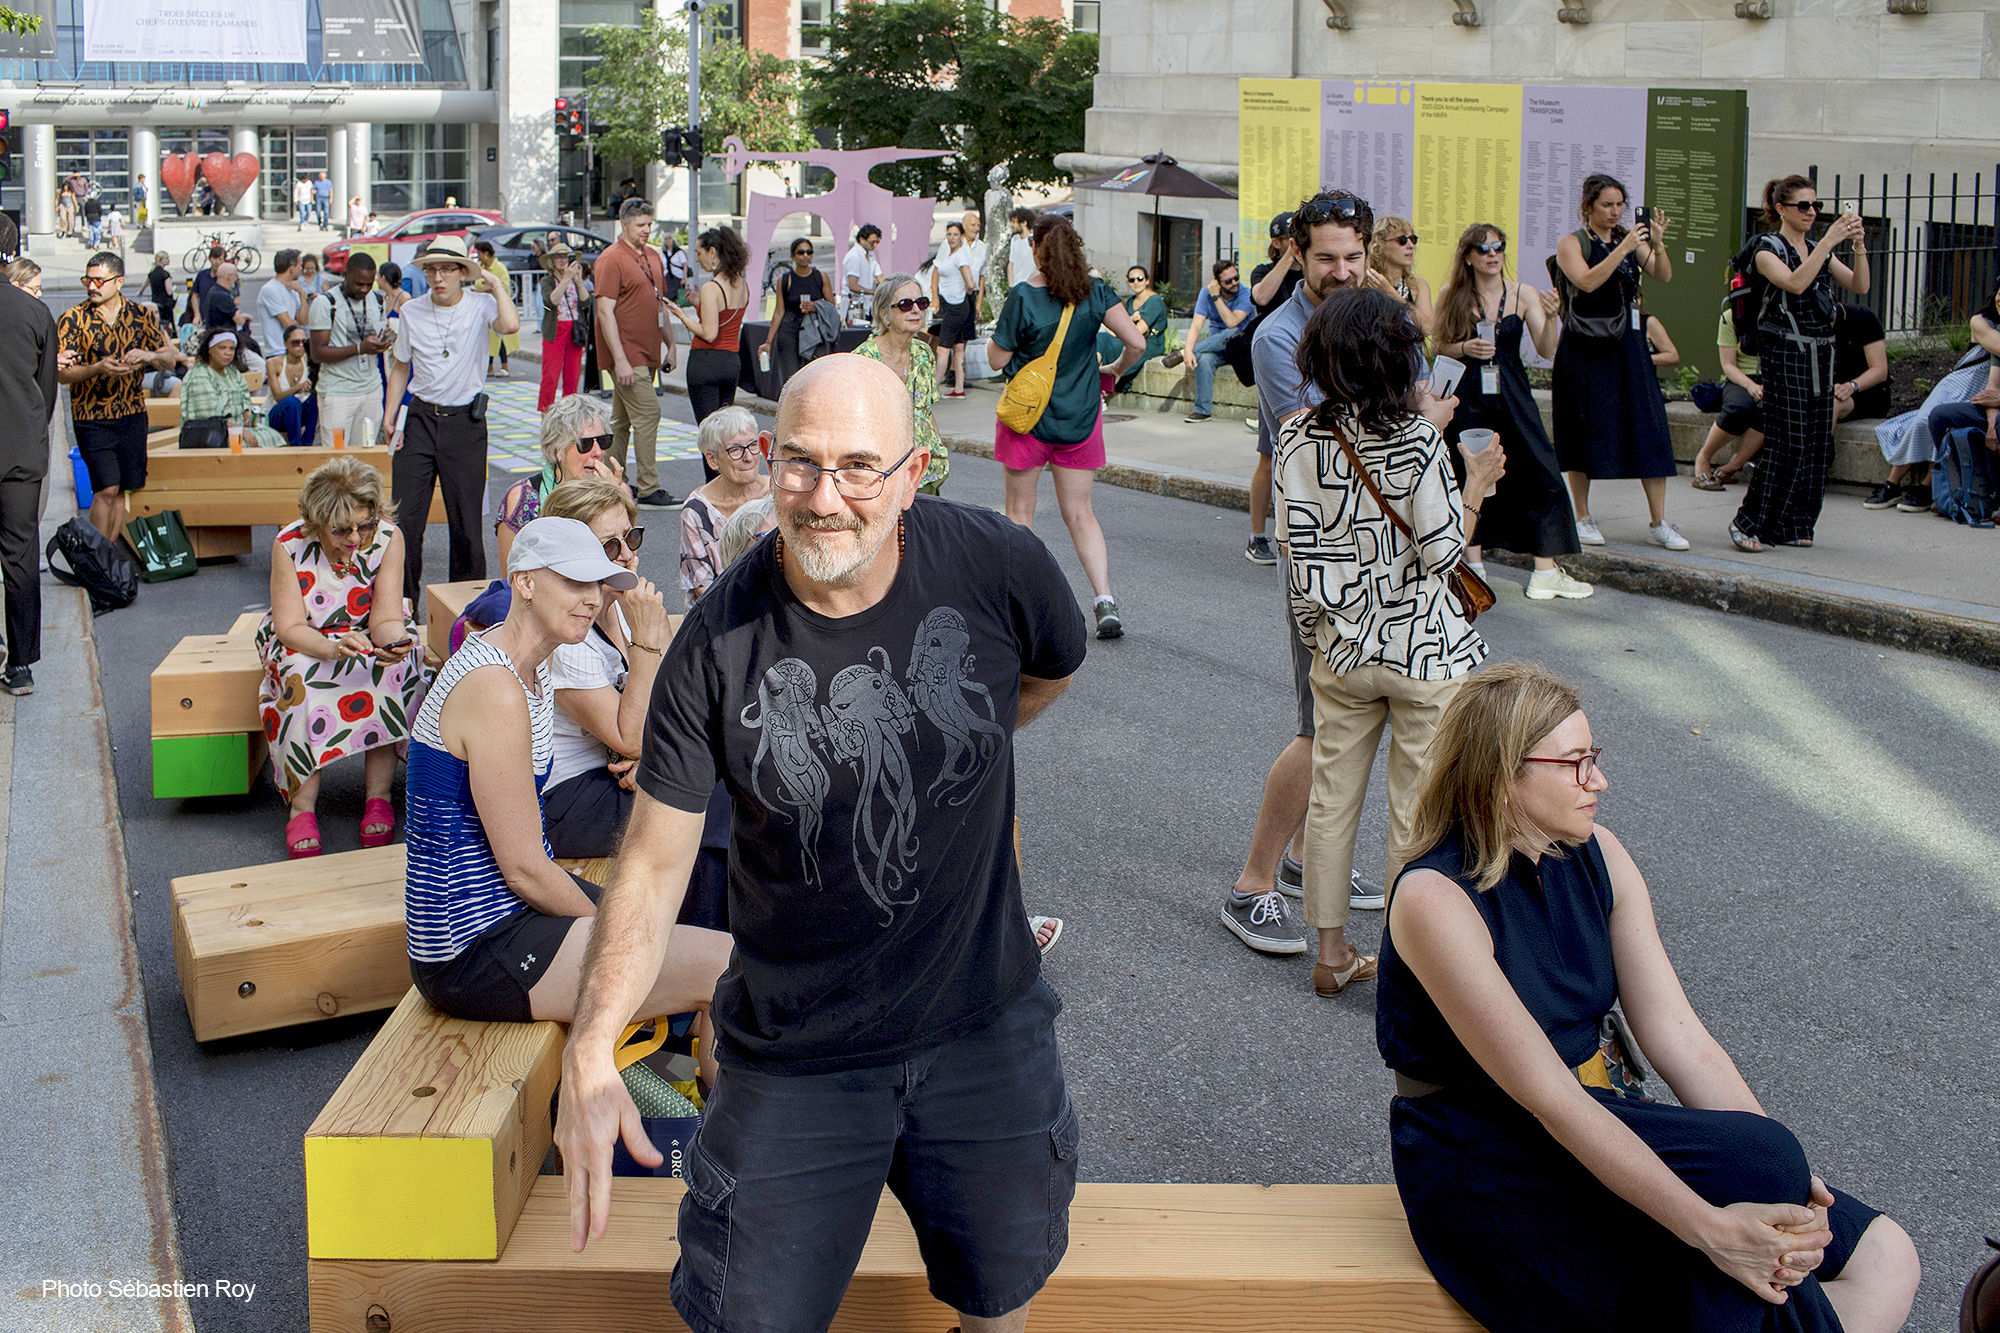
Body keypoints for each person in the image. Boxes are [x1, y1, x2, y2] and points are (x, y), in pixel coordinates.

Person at [553, 354, 1089, 1333]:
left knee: (998, 1288)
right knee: (751, 1316)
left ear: (912, 474)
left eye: (858, 467)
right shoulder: (716, 645)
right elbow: (652, 863)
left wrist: (957, 755)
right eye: (798, 462)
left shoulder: (993, 565)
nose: (824, 495)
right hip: (794, 1055)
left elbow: (1043, 672)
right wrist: (593, 1049)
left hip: (981, 1026)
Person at [1376, 661, 1920, 1333]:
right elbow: (1550, 1098)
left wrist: (1788, 1186)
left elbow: (1679, 1035)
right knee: (1734, 1266)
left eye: (1593, 758)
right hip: (1487, 1156)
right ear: (1502, 774)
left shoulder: (1601, 853)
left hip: (1599, 1115)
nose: (1597, 779)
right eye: (1575, 762)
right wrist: (1708, 1227)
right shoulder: (1435, 898)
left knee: (1885, 1252)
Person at [403, 515, 732, 1038]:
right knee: (724, 964)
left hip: (500, 918)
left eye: (598, 584)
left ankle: (686, 1092)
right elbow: (526, 870)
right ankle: (723, 1114)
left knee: (691, 944)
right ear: (526, 582)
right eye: (576, 582)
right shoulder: (495, 687)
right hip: (473, 946)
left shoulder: (530, 668)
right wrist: (619, 936)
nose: (594, 599)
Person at [1271, 282, 1504, 1003]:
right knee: (1417, 808)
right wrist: (1476, 486)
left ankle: (1332, 951)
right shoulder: (1417, 443)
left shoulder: (1296, 437)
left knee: (1333, 797)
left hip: (1341, 649)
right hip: (1422, 652)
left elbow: (1292, 549)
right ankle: (1410, 964)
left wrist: (1321, 637)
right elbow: (1443, 554)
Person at [1222, 190, 1384, 962]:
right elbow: (1317, 438)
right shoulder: (1280, 335)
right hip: (1318, 549)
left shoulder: (1372, 315)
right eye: (1327, 257)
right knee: (1322, 725)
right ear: (1297, 253)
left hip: (1374, 544)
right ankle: (1252, 886)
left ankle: (1301, 860)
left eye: (1354, 256)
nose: (1342, 270)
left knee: (1352, 720)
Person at [256, 457, 424, 857]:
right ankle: (301, 807)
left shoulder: (388, 537)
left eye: (365, 525)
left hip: (365, 632)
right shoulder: (289, 544)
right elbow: (289, 628)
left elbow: (384, 615)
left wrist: (393, 642)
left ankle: (378, 797)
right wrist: (332, 648)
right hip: (306, 637)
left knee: (390, 670)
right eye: (342, 529)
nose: (356, 537)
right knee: (299, 679)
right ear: (317, 521)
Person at [990, 214, 1145, 639]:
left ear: (1036, 249)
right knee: (1081, 514)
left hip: (1028, 422)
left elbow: (996, 360)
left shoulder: (1022, 297)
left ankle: (1024, 606)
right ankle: (1104, 599)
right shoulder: (1096, 293)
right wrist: (1112, 370)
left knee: (1020, 514)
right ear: (1075, 246)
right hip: (1081, 421)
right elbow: (1137, 343)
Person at [1432, 222, 1590, 601]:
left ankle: (1545, 571)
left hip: (1512, 393)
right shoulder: (1451, 294)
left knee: (1541, 471)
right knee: (1468, 472)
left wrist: (1552, 316)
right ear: (1468, 256)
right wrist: (1465, 348)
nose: (1492, 255)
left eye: (1498, 247)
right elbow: (1437, 346)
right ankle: (1473, 561)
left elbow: (1547, 348)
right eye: (1483, 249)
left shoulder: (1523, 294)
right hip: (1469, 394)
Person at [1729, 176, 1869, 552]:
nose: (1812, 213)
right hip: (1785, 352)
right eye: (1803, 206)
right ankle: (1749, 522)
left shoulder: (1816, 247)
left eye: (1816, 206)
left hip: (1822, 352)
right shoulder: (1765, 248)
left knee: (1817, 442)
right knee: (1787, 442)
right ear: (1780, 209)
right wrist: (1826, 243)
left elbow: (1860, 285)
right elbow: (1794, 283)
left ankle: (1795, 522)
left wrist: (1856, 245)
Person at [1552, 174, 1686, 551]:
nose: (1615, 212)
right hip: (1586, 345)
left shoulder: (1631, 239)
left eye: (1620, 205)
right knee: (1583, 427)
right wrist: (1624, 246)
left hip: (1627, 342)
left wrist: (1656, 246)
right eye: (1607, 205)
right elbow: (1588, 281)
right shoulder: (1572, 243)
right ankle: (1582, 515)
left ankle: (1659, 521)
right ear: (1589, 207)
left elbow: (1663, 275)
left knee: (1648, 423)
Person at [535, 479, 668, 859]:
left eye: (631, 538)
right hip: (567, 798)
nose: (627, 554)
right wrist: (644, 639)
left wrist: (649, 761)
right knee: (698, 809)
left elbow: (677, 697)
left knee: (719, 794)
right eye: (610, 545)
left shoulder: (622, 604)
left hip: (617, 772)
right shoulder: (569, 633)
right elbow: (629, 738)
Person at [380, 235, 522, 589]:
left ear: (463, 272)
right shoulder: (411, 310)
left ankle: (466, 615)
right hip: (418, 420)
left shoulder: (480, 304)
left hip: (465, 424)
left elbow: (510, 325)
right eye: (431, 270)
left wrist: (496, 285)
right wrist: (389, 413)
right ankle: (401, 611)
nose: (438, 278)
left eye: (447, 269)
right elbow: (400, 366)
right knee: (405, 523)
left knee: (467, 527)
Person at [57, 252, 176, 542]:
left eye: (98, 280)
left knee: (124, 488)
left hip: (132, 412)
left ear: (119, 281)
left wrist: (148, 355)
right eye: (88, 280)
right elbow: (62, 375)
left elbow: (170, 359)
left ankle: (108, 554)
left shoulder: (141, 315)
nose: (91, 286)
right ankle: (97, 558)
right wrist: (97, 368)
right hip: (92, 415)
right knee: (106, 488)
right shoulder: (73, 318)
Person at [0, 228, 60, 697]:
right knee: (20, 554)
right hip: (20, 446)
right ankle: (20, 664)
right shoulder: (35, 311)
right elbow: (45, 392)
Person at [596, 198, 678, 509]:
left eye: (649, 224)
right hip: (628, 354)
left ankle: (609, 480)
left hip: (647, 352)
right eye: (640, 225)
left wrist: (670, 345)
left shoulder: (653, 256)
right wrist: (619, 360)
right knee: (648, 414)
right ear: (624, 224)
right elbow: (605, 312)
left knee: (621, 421)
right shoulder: (611, 259)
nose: (646, 230)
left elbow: (660, 304)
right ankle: (648, 487)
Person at [496, 392, 625, 569]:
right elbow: (510, 579)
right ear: (557, 449)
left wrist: (612, 499)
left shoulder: (618, 489)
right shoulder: (523, 498)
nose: (598, 452)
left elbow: (625, 563)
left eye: (603, 441)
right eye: (584, 444)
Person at [855, 273, 946, 496]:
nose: (916, 310)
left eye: (921, 303)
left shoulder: (923, 352)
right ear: (884, 313)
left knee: (926, 530)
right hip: (883, 475)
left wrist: (939, 449)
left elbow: (927, 411)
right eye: (905, 305)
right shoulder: (863, 360)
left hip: (926, 473)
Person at [666, 226, 752, 438]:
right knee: (725, 434)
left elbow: (709, 332)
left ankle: (713, 473)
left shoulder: (711, 287)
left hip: (706, 363)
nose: (696, 258)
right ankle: (725, 472)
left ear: (713, 252)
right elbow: (724, 319)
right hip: (731, 362)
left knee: (710, 436)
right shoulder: (742, 285)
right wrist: (698, 305)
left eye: (698, 252)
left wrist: (682, 315)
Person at [679, 406, 770, 605]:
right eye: (735, 449)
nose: (749, 457)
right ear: (712, 459)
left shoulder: (776, 492)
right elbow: (702, 588)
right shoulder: (696, 510)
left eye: (753, 445)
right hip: (721, 609)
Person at [308, 249, 392, 448]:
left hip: (371, 387)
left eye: (369, 284)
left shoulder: (378, 301)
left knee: (365, 454)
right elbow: (318, 353)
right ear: (344, 276)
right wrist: (359, 348)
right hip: (338, 391)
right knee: (337, 460)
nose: (364, 289)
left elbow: (377, 334)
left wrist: (383, 341)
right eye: (358, 283)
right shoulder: (326, 303)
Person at [1170, 258, 1253, 424]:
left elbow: (1232, 322)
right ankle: (1202, 411)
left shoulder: (1246, 293)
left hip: (1240, 347)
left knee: (1231, 331)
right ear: (1217, 282)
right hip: (1217, 349)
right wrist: (1189, 348)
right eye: (1228, 281)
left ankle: (1180, 354)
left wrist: (1216, 297)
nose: (1235, 283)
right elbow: (1196, 325)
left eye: (1236, 278)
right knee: (1204, 358)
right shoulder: (1205, 293)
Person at [1692, 311, 1766, 492]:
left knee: (1771, 409)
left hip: (1772, 378)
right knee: (1738, 407)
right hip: (1740, 378)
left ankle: (1735, 464)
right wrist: (1750, 385)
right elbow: (1728, 365)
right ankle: (1704, 456)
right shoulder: (1731, 315)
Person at [181, 328, 285, 448]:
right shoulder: (199, 375)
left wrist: (247, 416)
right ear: (210, 350)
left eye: (231, 348)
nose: (228, 352)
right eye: (222, 348)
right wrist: (240, 430)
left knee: (274, 437)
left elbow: (245, 398)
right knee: (247, 443)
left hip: (237, 426)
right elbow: (208, 418)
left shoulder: (232, 372)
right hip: (210, 433)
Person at [1097, 265, 1165, 399]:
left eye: (1140, 279)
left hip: (1148, 343)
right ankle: (1097, 386)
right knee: (1100, 339)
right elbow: (1120, 326)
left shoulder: (1154, 301)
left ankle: (1098, 392)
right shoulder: (1131, 301)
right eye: (1132, 280)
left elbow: (1138, 330)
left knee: (1108, 344)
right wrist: (1130, 320)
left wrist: (1123, 327)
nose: (1136, 283)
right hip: (1128, 338)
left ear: (1146, 280)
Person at [928, 222, 978, 399]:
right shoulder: (949, 253)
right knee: (957, 348)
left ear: (961, 236)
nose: (951, 237)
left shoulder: (961, 255)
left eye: (955, 234)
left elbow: (970, 282)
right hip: (951, 305)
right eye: (949, 234)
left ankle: (933, 390)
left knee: (943, 349)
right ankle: (958, 388)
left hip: (957, 307)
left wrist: (965, 292)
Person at [537, 243, 588, 412]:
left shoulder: (575, 279)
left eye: (565, 257)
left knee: (572, 377)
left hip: (574, 331)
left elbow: (586, 302)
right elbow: (550, 302)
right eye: (558, 257)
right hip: (555, 330)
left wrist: (578, 280)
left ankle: (569, 414)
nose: (562, 260)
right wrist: (565, 279)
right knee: (550, 376)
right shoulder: (547, 280)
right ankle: (546, 414)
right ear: (552, 260)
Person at [1367, 216, 1435, 335]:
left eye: (1413, 239)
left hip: (1407, 352)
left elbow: (1429, 329)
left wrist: (1392, 295)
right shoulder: (1367, 281)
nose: (1411, 245)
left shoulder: (1417, 286)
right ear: (1380, 245)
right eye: (1402, 240)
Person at [1831, 301, 1890, 425]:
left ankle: (1820, 445)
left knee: (1830, 406)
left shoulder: (1861, 317)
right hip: (1825, 390)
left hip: (1866, 392)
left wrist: (1850, 387)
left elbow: (1880, 370)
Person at [265, 325, 320, 446]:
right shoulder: (274, 363)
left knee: (313, 402)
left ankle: (307, 443)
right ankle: (296, 446)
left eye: (304, 342)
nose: (301, 346)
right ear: (286, 344)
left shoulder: (308, 360)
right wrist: (297, 388)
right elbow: (278, 396)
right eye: (295, 342)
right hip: (276, 413)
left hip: (298, 412)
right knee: (291, 402)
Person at [476, 241, 518, 379]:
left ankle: (504, 366)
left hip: (498, 309)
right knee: (488, 340)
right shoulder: (480, 267)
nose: (478, 256)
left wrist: (491, 287)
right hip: (482, 309)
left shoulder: (499, 268)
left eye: (479, 253)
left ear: (487, 254)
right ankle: (489, 367)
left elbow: (505, 287)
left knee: (500, 339)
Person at [841, 223, 883, 323]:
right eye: (872, 242)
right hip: (853, 306)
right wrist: (874, 292)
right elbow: (853, 286)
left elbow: (880, 276)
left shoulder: (871, 254)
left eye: (877, 242)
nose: (875, 245)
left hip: (867, 305)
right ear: (862, 239)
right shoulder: (854, 257)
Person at [189, 244, 226, 327]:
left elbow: (235, 298)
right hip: (204, 318)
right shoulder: (202, 275)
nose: (217, 262)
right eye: (214, 258)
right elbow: (194, 295)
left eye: (220, 259)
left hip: (222, 320)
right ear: (209, 259)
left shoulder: (226, 276)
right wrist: (197, 314)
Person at [1006, 207, 1039, 288]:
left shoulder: (1035, 240)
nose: (1011, 225)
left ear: (1024, 223)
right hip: (1016, 286)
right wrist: (1011, 285)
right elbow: (1011, 263)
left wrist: (1029, 282)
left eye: (1014, 222)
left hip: (1030, 286)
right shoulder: (1014, 239)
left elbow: (1040, 267)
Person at [147, 251, 177, 330]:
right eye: (166, 258)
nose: (169, 260)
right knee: (169, 327)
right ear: (160, 260)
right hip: (166, 304)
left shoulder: (152, 273)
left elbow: (143, 287)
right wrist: (174, 288)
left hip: (155, 303)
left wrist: (139, 292)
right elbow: (169, 291)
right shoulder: (165, 274)